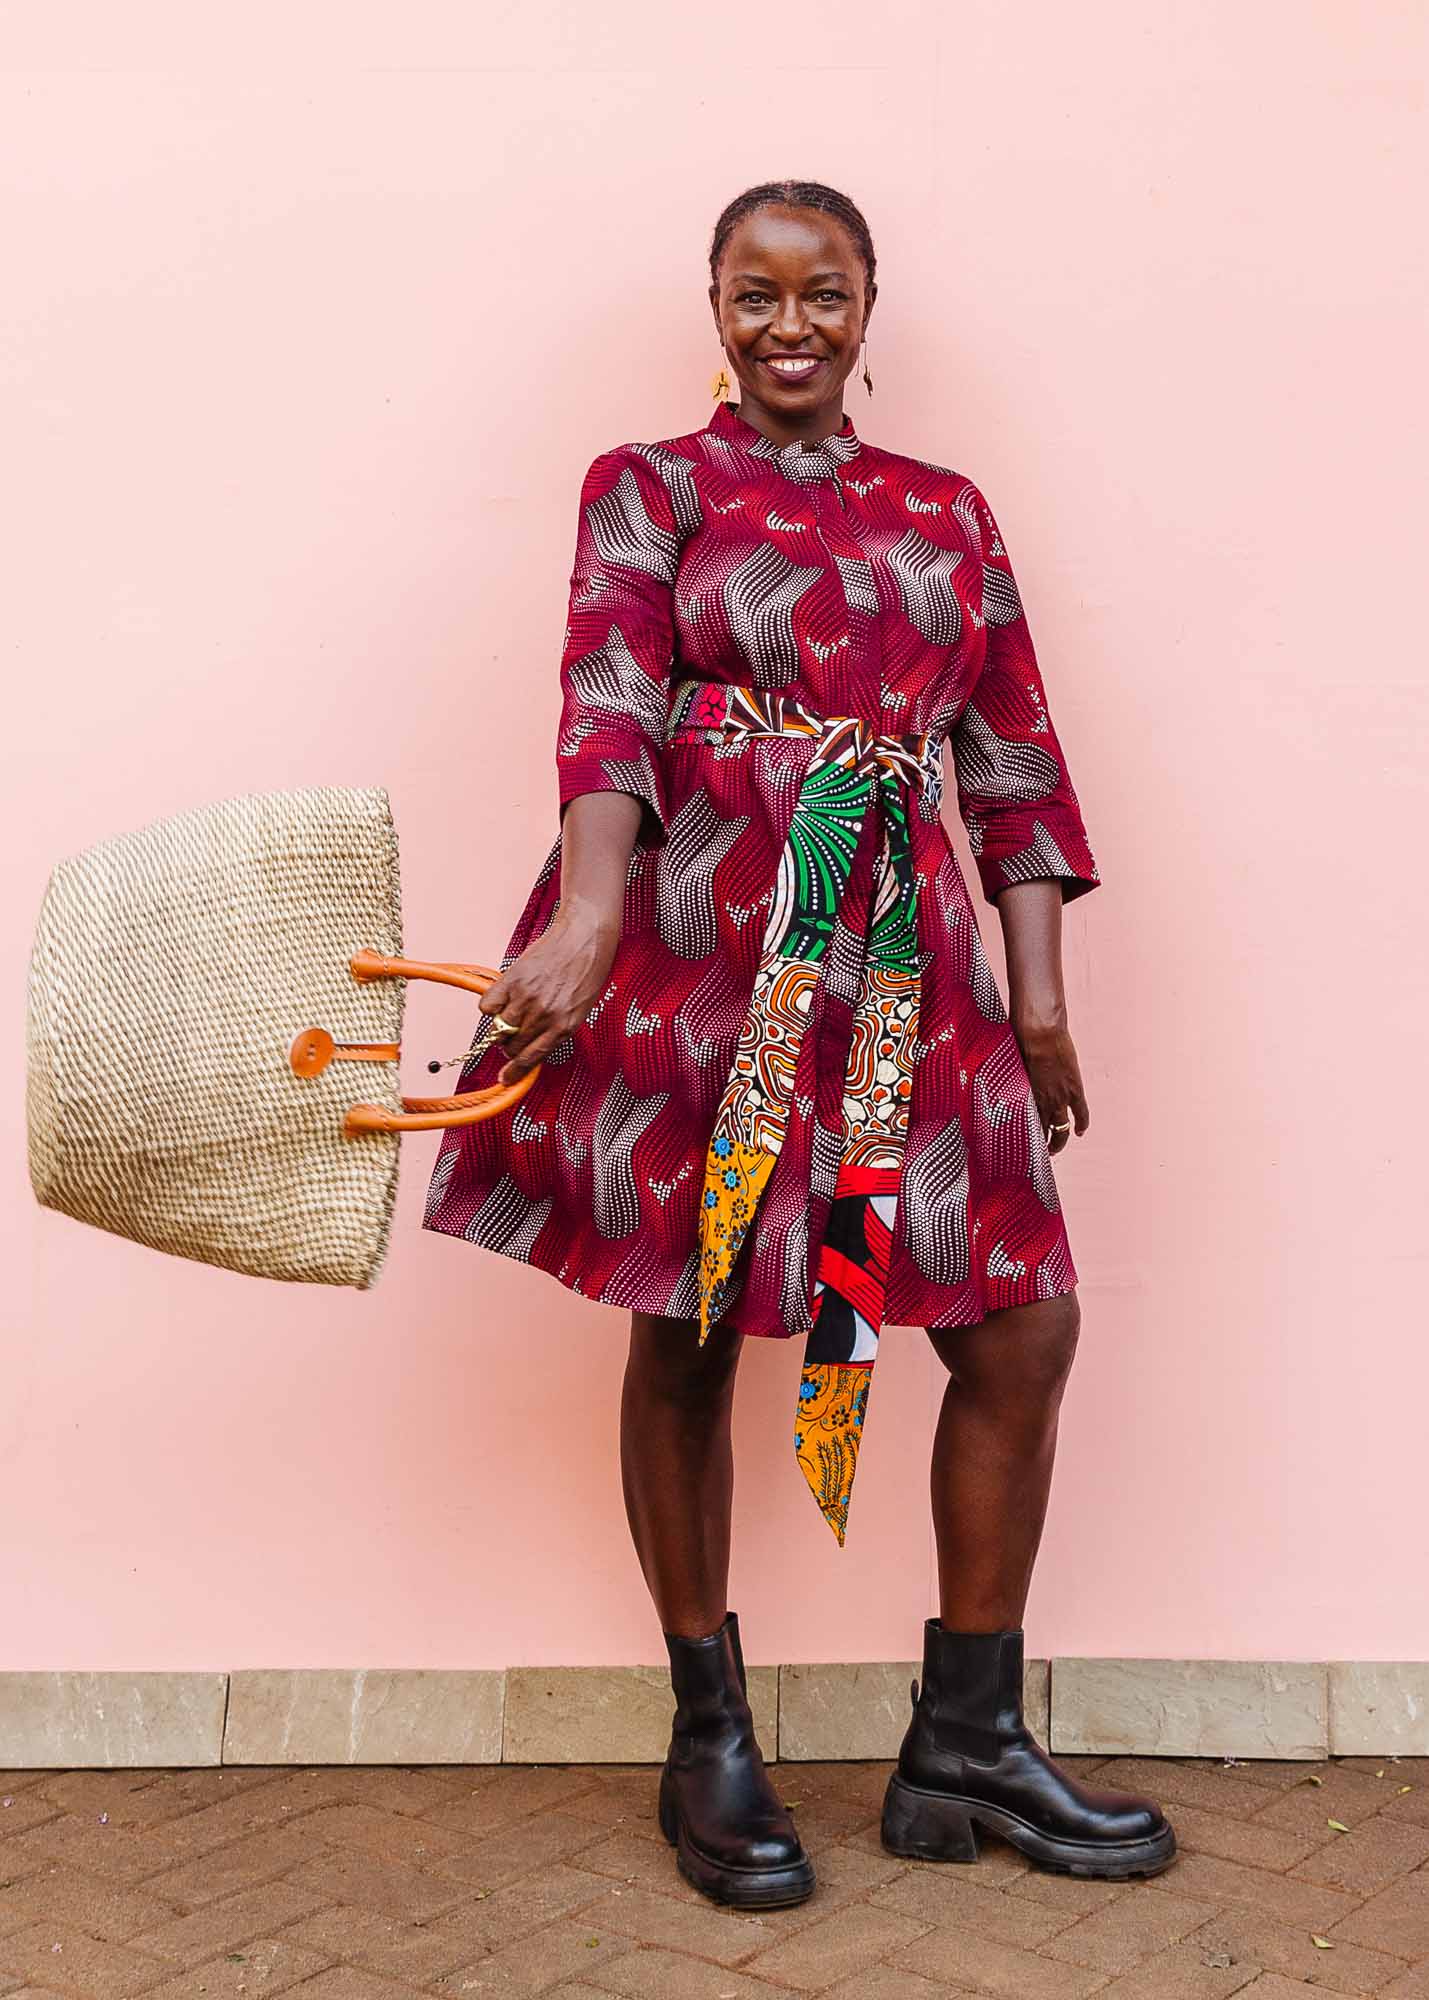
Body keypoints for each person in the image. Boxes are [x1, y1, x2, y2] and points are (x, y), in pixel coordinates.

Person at [423, 178, 1176, 1908]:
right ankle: (709, 1744)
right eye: (754, 294)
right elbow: (605, 697)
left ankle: (962, 1742)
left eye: (820, 293)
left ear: (864, 305)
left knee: (1018, 1326)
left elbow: (1010, 750)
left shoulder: (945, 508)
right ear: (713, 304)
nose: (788, 325)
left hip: (902, 950)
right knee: (690, 1327)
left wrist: (1040, 1002)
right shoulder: (652, 486)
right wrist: (592, 913)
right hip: (701, 934)